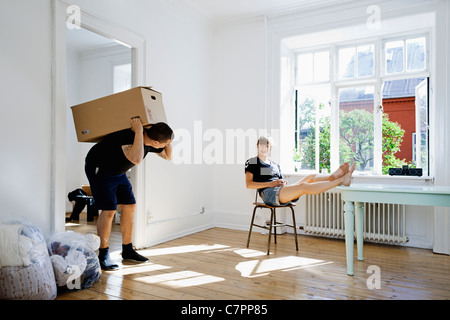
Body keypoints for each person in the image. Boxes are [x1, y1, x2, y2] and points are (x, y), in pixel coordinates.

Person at [85, 118, 173, 270]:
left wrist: (168, 140)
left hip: (118, 172)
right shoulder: (128, 137)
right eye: (164, 143)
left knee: (130, 205)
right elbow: (136, 159)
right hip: (100, 168)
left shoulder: (149, 142)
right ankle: (103, 254)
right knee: (109, 209)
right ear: (156, 142)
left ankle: (127, 250)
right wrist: (138, 131)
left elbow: (168, 156)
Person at [245, 136, 355, 206]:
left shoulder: (275, 165)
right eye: (261, 145)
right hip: (268, 194)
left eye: (267, 146)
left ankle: (331, 177)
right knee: (303, 186)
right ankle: (341, 180)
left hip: (281, 190)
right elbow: (249, 184)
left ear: (270, 148)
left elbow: (279, 180)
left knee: (311, 176)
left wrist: (282, 182)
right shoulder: (252, 162)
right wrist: (271, 184)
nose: (264, 148)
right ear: (257, 146)